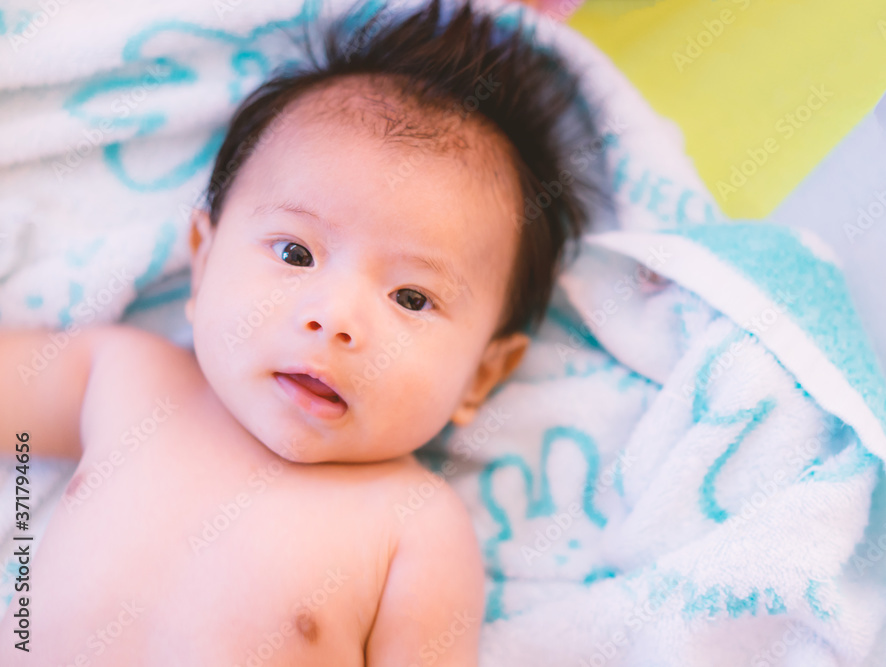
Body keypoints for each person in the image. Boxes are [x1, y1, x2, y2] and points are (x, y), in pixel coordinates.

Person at [0, 0, 603, 664]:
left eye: (411, 296)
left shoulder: (414, 528)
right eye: (295, 254)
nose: (335, 320)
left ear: (483, 374)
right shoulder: (121, 379)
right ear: (203, 263)